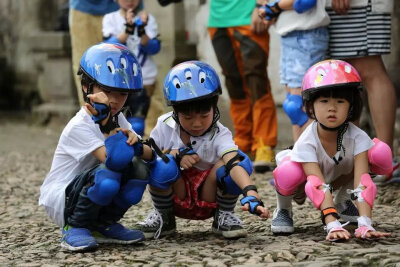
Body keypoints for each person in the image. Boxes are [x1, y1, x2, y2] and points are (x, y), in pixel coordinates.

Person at [39, 43, 155, 251]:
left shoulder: (118, 118)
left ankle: (103, 225)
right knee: (110, 176)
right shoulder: (80, 125)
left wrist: (137, 145)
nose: (114, 100)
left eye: (121, 93)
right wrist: (108, 126)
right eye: (106, 90)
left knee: (140, 170)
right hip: (63, 198)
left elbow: (149, 153)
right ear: (87, 87)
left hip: (91, 185)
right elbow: (114, 160)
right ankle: (74, 227)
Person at [136, 61, 270, 239]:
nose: (197, 123)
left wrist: (251, 193)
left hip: (209, 196)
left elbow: (232, 161)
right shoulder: (165, 125)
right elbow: (150, 152)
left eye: (204, 115)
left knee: (240, 161)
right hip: (177, 194)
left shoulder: (220, 133)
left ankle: (224, 216)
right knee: (162, 164)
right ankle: (164, 217)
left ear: (215, 105)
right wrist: (174, 155)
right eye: (187, 117)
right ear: (175, 110)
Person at [270, 60, 391, 241]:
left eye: (340, 101)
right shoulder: (307, 140)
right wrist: (331, 223)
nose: (332, 108)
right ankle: (283, 209)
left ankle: (343, 201)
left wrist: (365, 224)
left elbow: (362, 181)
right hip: (306, 181)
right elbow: (316, 183)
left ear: (351, 106)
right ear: (310, 106)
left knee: (380, 153)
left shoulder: (357, 137)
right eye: (324, 101)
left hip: (337, 175)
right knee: (288, 172)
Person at [326, 0, 399, 183]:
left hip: (361, 5)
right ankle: (354, 158)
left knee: (370, 69)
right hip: (339, 8)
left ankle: (384, 160)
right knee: (346, 75)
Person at [207, 0, 278, 173]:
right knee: (233, 82)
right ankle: (243, 140)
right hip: (218, 19)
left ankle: (263, 143)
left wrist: (261, 6)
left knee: (256, 81)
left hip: (248, 15)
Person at [259, 0, 330, 141]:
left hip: (306, 36)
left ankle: (315, 155)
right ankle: (299, 156)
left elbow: (304, 2)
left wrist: (274, 7)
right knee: (292, 103)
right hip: (290, 35)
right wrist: (269, 11)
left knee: (299, 105)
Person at [103, 0, 162, 137]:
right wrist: (128, 29)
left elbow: (153, 48)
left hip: (143, 79)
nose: (130, 1)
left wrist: (141, 30)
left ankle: (138, 153)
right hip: (117, 80)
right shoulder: (110, 18)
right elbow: (108, 47)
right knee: (113, 121)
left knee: (137, 123)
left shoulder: (148, 19)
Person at [69, 0, 120, 106]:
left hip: (120, 7)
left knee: (123, 67)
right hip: (84, 8)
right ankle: (91, 116)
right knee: (85, 68)